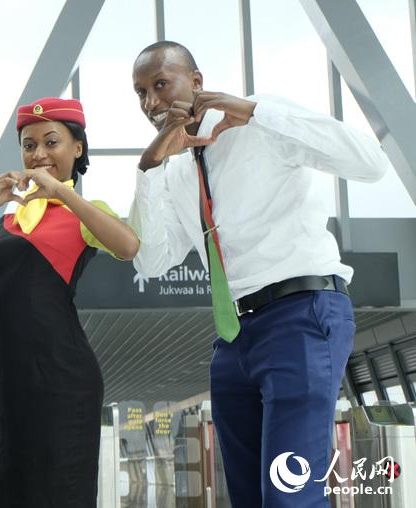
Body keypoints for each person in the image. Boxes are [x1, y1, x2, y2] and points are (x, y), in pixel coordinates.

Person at [128, 41, 391, 506]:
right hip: (233, 336)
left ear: (197, 82)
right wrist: (148, 168)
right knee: (249, 495)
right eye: (141, 92)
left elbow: (369, 163)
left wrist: (255, 111)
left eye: (160, 84)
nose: (151, 102)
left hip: (302, 314)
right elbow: (151, 260)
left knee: (289, 493)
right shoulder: (172, 171)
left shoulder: (260, 122)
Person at [0, 97, 140, 507]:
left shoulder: (83, 213)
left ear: (77, 149)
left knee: (62, 493)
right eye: (29, 144)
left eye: (51, 142)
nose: (39, 154)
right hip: (12, 383)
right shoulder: (5, 223)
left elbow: (127, 246)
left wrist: (60, 193)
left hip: (64, 380)